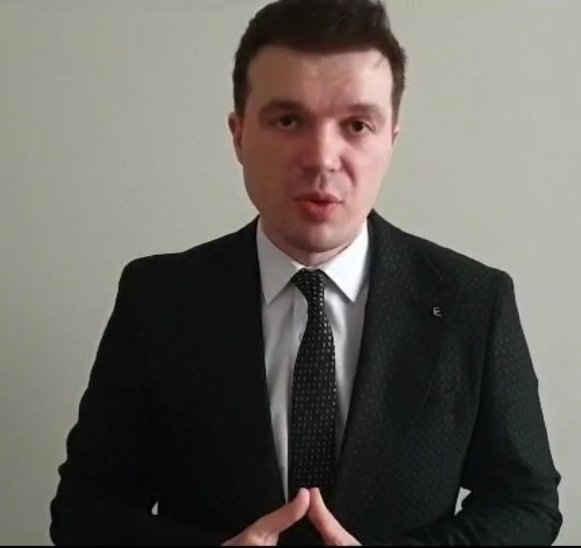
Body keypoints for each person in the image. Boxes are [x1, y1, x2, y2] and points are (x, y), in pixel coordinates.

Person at [49, 0, 563, 545]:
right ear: (239, 135)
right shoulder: (157, 300)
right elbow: (84, 512)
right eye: (289, 120)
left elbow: (526, 506)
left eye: (357, 125)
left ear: (390, 140)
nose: (321, 158)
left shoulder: (474, 302)